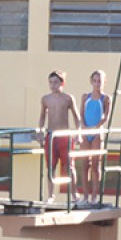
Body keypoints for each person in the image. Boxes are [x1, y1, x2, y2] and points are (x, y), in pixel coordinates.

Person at [38, 70, 82, 203]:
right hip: (51, 136)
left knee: (69, 166)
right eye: (51, 82)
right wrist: (40, 132)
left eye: (56, 82)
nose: (53, 85)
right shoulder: (45, 99)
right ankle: (51, 195)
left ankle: (74, 193)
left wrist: (78, 134)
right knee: (50, 166)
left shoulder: (68, 98)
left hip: (64, 136)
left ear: (62, 83)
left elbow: (76, 117)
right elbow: (42, 116)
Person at [80, 70, 112, 205]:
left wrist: (96, 127)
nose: (97, 83)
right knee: (84, 164)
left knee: (95, 164)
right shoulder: (85, 97)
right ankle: (85, 196)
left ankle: (94, 196)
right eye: (95, 81)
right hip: (85, 132)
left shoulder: (106, 98)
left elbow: (105, 116)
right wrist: (84, 127)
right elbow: (81, 114)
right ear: (91, 81)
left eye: (100, 81)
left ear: (104, 82)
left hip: (97, 133)